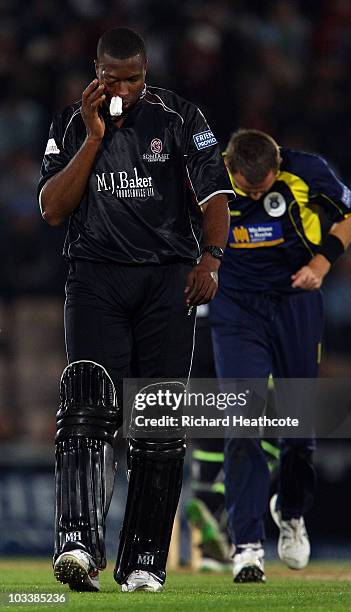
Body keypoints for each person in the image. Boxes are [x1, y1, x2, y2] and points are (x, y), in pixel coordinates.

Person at [37, 27, 234, 593]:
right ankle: (77, 546)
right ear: (95, 72)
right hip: (95, 278)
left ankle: (144, 562)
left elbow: (215, 197)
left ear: (146, 73)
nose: (123, 88)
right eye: (112, 77)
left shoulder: (180, 116)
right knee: (86, 407)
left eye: (134, 78)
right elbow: (52, 208)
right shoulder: (71, 124)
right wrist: (94, 139)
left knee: (158, 424)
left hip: (167, 281)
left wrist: (212, 260)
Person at [209, 129, 351, 583]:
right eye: (247, 190)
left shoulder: (306, 170)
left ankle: (291, 511)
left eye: (263, 189)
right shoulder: (207, 176)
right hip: (237, 308)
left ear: (277, 167)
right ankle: (247, 546)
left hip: (294, 301)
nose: (256, 197)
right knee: (243, 423)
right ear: (232, 169)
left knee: (298, 429)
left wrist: (321, 264)